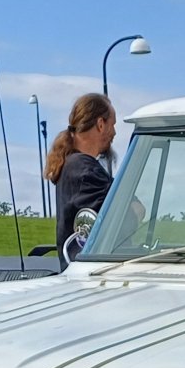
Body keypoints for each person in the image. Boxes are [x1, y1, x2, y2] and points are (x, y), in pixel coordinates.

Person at [45, 93, 116, 258]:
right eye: (112, 125)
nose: (114, 132)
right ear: (100, 124)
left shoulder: (71, 164)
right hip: (96, 274)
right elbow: (121, 218)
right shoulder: (85, 171)